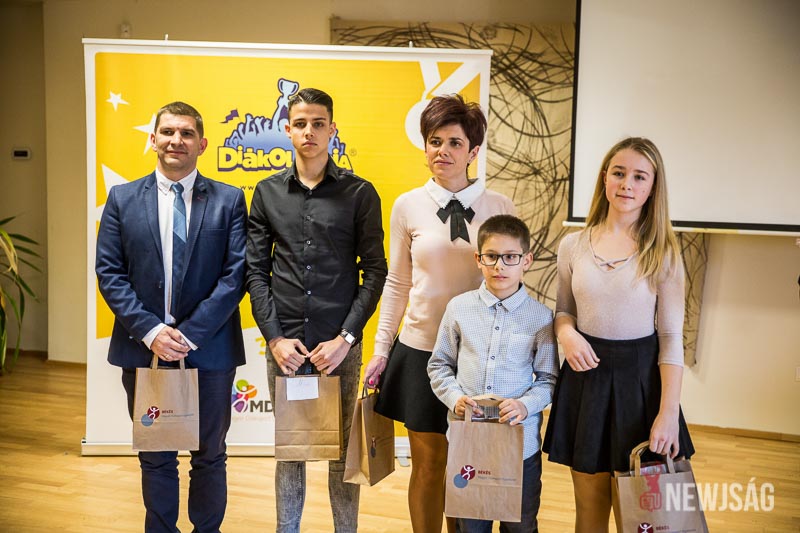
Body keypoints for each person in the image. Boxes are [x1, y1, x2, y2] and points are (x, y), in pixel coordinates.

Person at [363, 94, 515, 533]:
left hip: (481, 358)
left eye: (454, 142)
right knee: (429, 465)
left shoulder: (500, 205)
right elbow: (397, 283)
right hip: (422, 352)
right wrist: (381, 349)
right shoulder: (407, 205)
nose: (442, 151)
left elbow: (512, 282)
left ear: (473, 151)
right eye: (434, 141)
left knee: (467, 466)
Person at [96, 101, 248, 532]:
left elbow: (236, 274)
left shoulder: (229, 200)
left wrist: (188, 335)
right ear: (153, 139)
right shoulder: (122, 199)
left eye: (186, 133)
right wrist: (151, 332)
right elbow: (109, 272)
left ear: (202, 143)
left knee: (210, 455)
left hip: (210, 350)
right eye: (167, 132)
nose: (175, 141)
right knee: (156, 456)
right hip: (144, 350)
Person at [246, 87, 387, 533]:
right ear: (288, 129)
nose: (309, 131)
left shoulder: (360, 193)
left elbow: (375, 272)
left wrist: (346, 339)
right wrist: (274, 338)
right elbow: (255, 272)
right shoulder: (266, 193)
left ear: (332, 130)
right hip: (286, 347)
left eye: (318, 123)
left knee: (343, 454)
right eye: (301, 123)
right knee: (291, 452)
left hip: (338, 347)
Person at [542, 137, 695, 532]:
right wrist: (567, 334)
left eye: (639, 176)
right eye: (619, 173)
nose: (627, 184)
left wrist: (667, 414)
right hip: (586, 383)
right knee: (589, 509)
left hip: (641, 388)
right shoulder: (573, 245)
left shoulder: (664, 253)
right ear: (605, 179)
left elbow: (670, 338)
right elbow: (564, 311)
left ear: (653, 187)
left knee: (643, 518)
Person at [428, 214, 559, 532]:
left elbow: (548, 380)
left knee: (520, 525)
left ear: (526, 261)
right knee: (470, 525)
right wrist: (455, 399)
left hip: (520, 446)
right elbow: (439, 365)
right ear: (478, 259)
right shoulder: (459, 308)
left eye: (510, 257)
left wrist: (525, 405)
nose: (500, 266)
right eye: (491, 256)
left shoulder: (541, 317)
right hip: (468, 444)